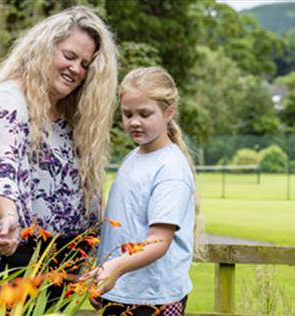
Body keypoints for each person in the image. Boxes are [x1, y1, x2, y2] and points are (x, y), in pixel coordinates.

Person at [0, 6, 117, 302]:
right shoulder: (6, 101)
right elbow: (1, 170)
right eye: (69, 56)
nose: (76, 70)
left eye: (85, 64)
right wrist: (9, 218)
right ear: (44, 49)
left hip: (53, 274)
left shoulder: (72, 118)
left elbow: (87, 190)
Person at [86, 67, 203, 316]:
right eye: (127, 114)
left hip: (154, 298)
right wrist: (103, 273)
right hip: (121, 290)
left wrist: (114, 269)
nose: (134, 122)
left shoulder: (170, 169)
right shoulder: (133, 157)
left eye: (145, 113)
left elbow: (159, 241)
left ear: (169, 112)